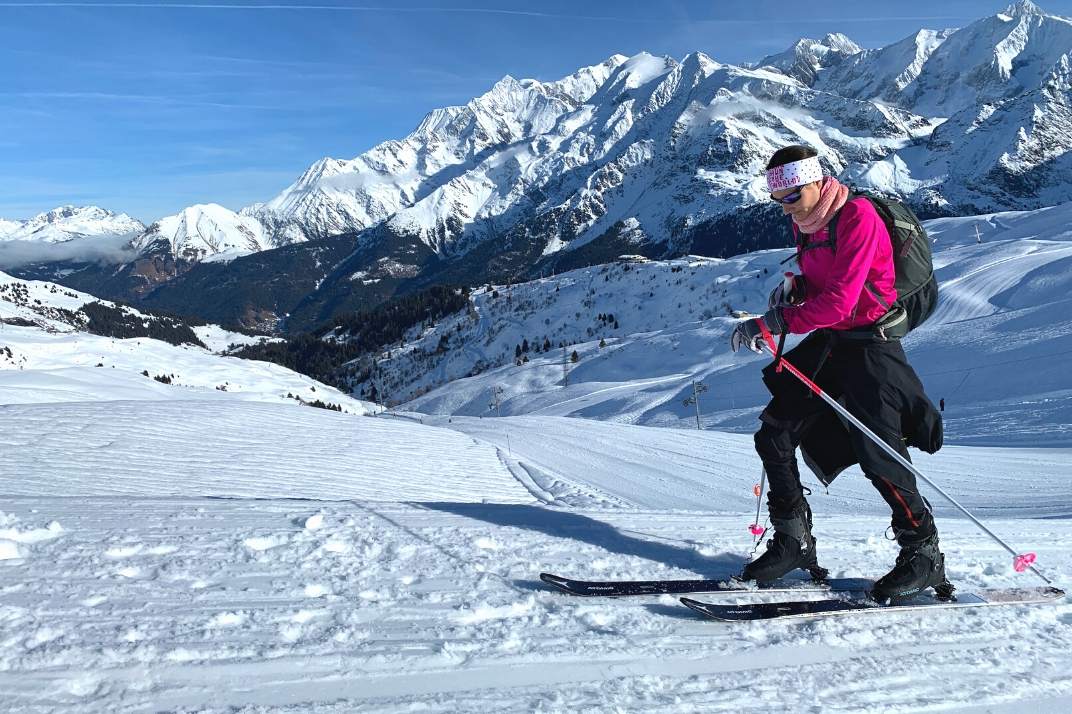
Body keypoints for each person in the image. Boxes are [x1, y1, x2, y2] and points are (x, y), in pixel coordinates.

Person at [730, 145, 948, 603]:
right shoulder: (808, 222)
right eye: (779, 199)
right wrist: (797, 288)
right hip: (834, 340)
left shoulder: (858, 217)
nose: (786, 207)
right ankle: (794, 542)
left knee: (880, 453)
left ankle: (923, 553)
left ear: (815, 180)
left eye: (791, 195)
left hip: (870, 343)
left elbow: (842, 301)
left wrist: (772, 323)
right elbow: (824, 285)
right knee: (774, 433)